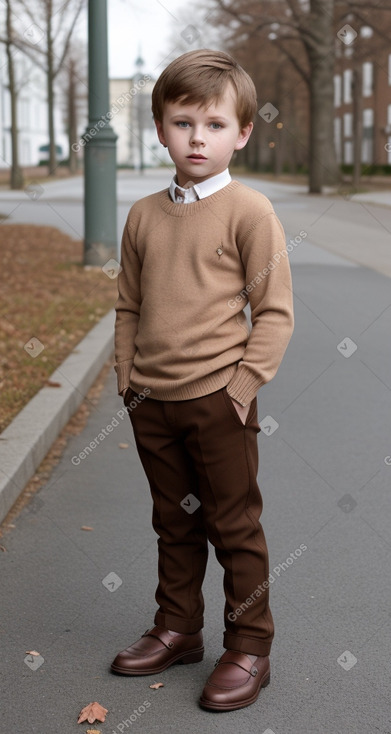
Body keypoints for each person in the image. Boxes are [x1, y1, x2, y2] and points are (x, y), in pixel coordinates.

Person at [111, 48, 294, 712]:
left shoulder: (248, 211)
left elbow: (273, 311)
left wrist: (241, 388)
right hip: (151, 402)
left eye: (214, 125)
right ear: (160, 128)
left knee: (233, 524)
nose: (197, 138)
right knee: (173, 522)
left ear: (241, 133)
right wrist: (127, 380)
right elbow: (128, 303)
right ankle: (177, 628)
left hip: (219, 400)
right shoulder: (143, 216)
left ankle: (249, 645)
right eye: (183, 122)